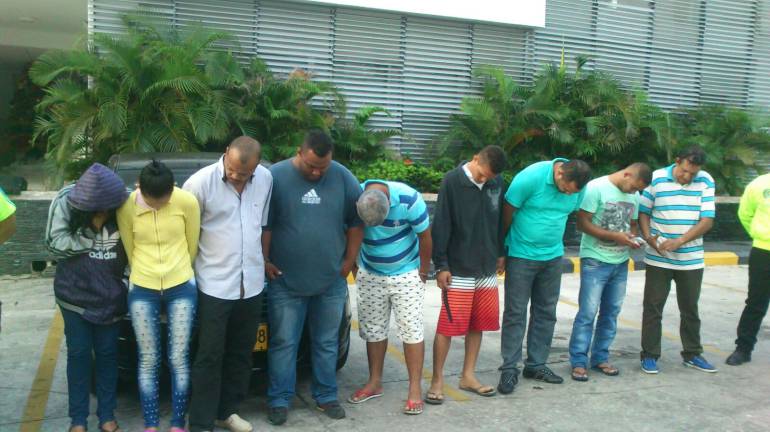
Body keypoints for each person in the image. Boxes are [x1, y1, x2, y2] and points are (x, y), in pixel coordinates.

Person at [262, 129, 363, 426]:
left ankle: (326, 395)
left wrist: (348, 261)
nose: (317, 172)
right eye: (311, 166)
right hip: (286, 281)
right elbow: (264, 225)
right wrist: (265, 259)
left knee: (327, 342)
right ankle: (279, 399)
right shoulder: (275, 177)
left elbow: (357, 223)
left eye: (323, 167)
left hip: (330, 281)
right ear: (298, 152)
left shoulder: (343, 177)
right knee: (283, 343)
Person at [184, 137, 272, 432]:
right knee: (209, 355)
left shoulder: (266, 180)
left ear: (256, 167)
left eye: (243, 174)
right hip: (214, 285)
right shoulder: (199, 184)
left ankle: (228, 411)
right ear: (225, 156)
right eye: (232, 170)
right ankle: (200, 421)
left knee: (240, 352)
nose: (235, 176)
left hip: (252, 283)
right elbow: (187, 235)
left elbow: (261, 224)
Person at [117, 160, 201, 432]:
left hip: (181, 286)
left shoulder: (187, 202)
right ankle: (150, 423)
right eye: (152, 201)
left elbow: (192, 244)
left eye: (164, 200)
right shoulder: (126, 205)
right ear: (140, 188)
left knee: (178, 357)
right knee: (149, 358)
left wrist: (177, 273)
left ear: (172, 189)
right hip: (142, 286)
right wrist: (147, 275)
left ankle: (178, 422)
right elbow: (130, 249)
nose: (157, 205)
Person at [45, 163, 129, 432]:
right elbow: (54, 243)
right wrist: (87, 235)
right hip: (74, 296)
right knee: (79, 355)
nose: (104, 213)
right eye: (98, 209)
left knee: (107, 355)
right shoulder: (66, 201)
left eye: (108, 209)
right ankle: (78, 419)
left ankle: (107, 415)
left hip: (111, 297)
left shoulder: (125, 202)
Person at [498, 158, 591, 394]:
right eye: (566, 189)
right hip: (521, 254)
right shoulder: (530, 177)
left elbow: (573, 212)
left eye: (573, 193)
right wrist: (502, 249)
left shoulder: (578, 187)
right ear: (560, 174)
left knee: (546, 312)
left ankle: (536, 364)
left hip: (553, 256)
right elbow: (506, 212)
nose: (568, 194)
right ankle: (510, 368)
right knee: (515, 312)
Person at [425, 145, 507, 405]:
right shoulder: (452, 181)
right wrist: (441, 265)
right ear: (474, 159)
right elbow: (441, 224)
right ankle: (437, 379)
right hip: (458, 266)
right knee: (448, 326)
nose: (485, 180)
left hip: (486, 266)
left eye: (490, 177)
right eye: (482, 174)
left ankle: (468, 376)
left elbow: (498, 220)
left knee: (478, 323)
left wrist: (500, 251)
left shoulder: (496, 182)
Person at [348, 180, 431, 415]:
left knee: (411, 330)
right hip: (370, 272)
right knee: (373, 330)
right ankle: (374, 382)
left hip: (406, 272)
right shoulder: (355, 194)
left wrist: (422, 273)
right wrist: (356, 268)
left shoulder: (409, 199)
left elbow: (425, 237)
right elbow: (350, 232)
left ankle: (414, 388)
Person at [568, 163, 652, 381]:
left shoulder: (633, 195)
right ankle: (578, 361)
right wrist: (615, 236)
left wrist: (632, 238)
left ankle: (600, 358)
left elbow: (632, 224)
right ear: (626, 174)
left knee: (611, 312)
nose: (634, 192)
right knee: (587, 313)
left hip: (620, 261)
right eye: (634, 187)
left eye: (637, 190)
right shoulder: (595, 188)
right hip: (595, 260)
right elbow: (582, 223)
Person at [638, 146, 717, 374]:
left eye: (692, 173)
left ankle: (692, 353)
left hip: (691, 258)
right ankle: (650, 355)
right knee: (653, 307)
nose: (687, 177)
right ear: (677, 161)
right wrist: (649, 238)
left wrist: (680, 241)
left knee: (690, 308)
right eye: (684, 171)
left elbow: (707, 220)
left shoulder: (706, 181)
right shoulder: (657, 178)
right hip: (658, 258)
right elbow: (644, 212)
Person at [726, 173, 770, 366]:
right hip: (763, 251)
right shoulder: (759, 184)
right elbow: (745, 213)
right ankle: (743, 349)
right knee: (756, 302)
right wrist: (758, 234)